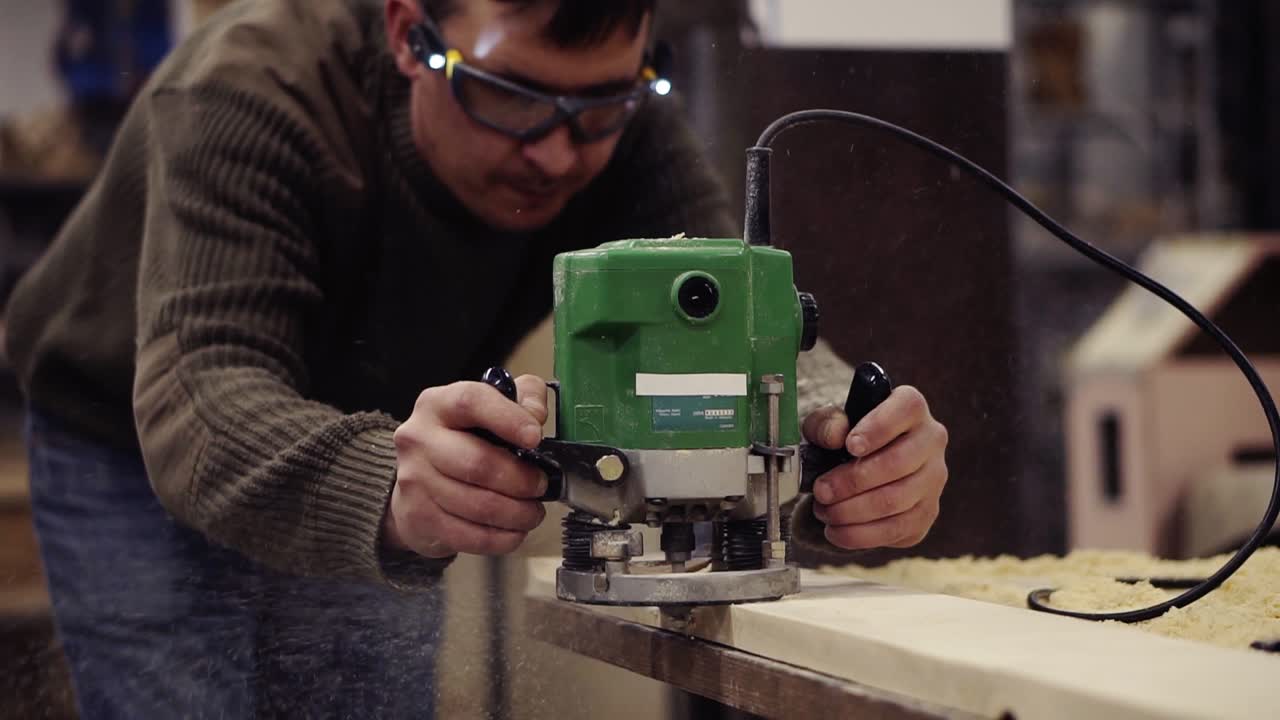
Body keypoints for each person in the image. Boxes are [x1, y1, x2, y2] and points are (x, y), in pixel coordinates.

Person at [3, 0, 951, 716]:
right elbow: (200, 400)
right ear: (410, 34)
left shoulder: (611, 121)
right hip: (134, 434)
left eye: (602, 103)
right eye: (510, 96)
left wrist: (845, 435)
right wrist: (390, 484)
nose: (556, 152)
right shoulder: (247, 89)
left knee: (364, 688)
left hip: (380, 435)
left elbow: (750, 326)